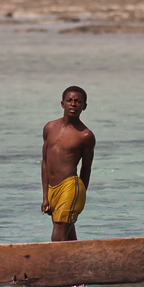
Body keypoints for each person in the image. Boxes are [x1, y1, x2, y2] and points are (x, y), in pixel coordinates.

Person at [41, 85, 95, 241]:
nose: (73, 104)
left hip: (70, 187)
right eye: (69, 100)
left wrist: (79, 196)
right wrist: (45, 196)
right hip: (52, 188)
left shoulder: (85, 135)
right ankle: (81, 257)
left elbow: (86, 168)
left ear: (84, 106)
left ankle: (52, 259)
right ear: (62, 103)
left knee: (58, 237)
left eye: (78, 101)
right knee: (68, 237)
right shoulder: (50, 128)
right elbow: (45, 162)